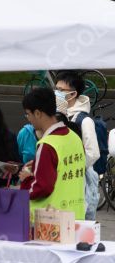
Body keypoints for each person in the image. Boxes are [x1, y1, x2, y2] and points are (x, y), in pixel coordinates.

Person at [19, 88, 86, 220]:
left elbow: (42, 188)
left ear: (37, 113)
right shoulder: (75, 137)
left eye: (28, 114)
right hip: (76, 216)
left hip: (52, 223)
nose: (28, 119)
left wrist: (26, 179)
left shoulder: (47, 144)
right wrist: (40, 167)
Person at [55, 71, 100, 219]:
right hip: (59, 180)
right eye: (55, 89)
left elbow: (93, 153)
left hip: (79, 181)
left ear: (73, 94)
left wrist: (72, 166)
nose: (57, 93)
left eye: (61, 90)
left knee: (79, 225)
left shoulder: (84, 121)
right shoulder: (55, 116)